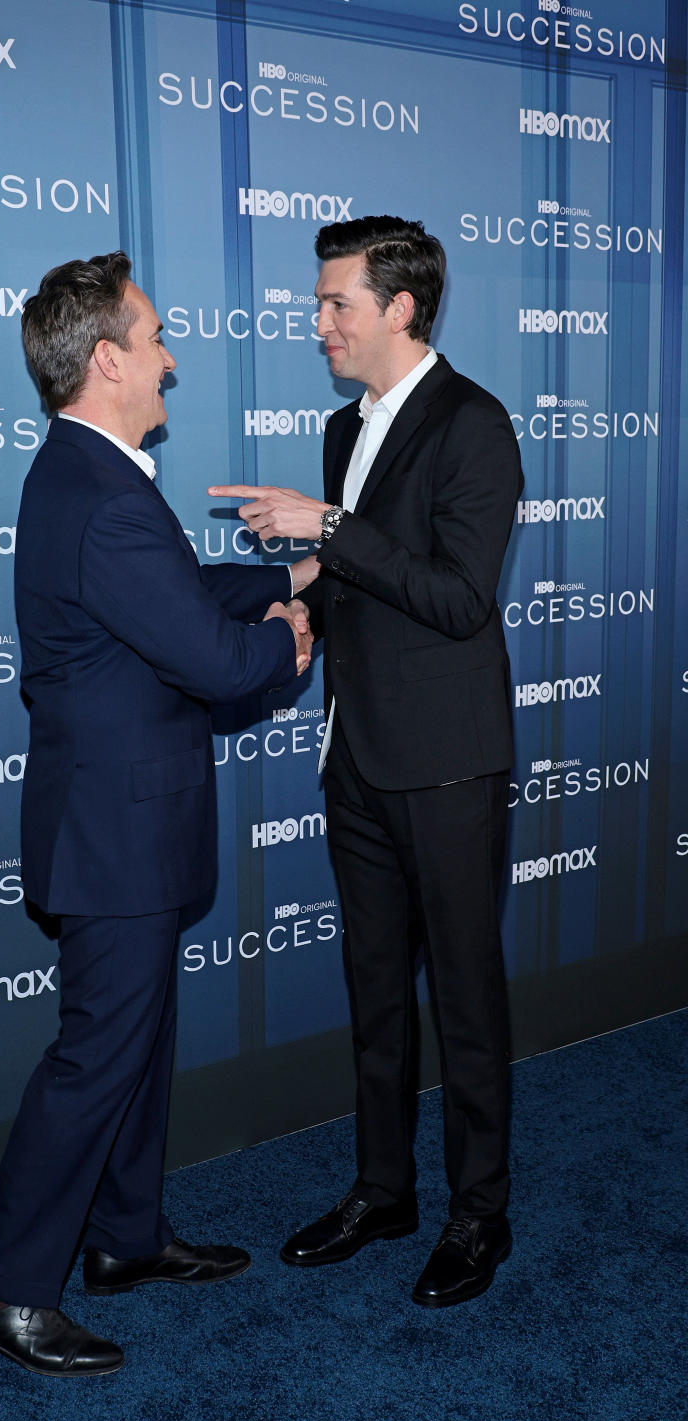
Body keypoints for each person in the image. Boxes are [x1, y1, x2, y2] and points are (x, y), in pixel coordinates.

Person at [0, 251, 315, 1376]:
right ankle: (0, 1285)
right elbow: (208, 657)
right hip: (112, 836)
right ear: (106, 360)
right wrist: (284, 646)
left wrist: (282, 582)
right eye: (154, 338)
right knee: (97, 1058)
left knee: (137, 1046)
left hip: (123, 826)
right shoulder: (100, 495)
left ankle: (123, 1239)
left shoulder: (89, 478)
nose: (171, 357)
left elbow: (168, 597)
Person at [209, 215, 523, 1308]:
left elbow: (458, 597)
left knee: (468, 1000)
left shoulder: (475, 424)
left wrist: (333, 531)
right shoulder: (349, 429)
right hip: (359, 757)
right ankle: (382, 1190)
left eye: (337, 301)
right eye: (318, 301)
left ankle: (481, 1215)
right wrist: (285, 594)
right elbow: (361, 585)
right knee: (376, 992)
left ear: (400, 307)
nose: (319, 320)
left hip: (448, 767)